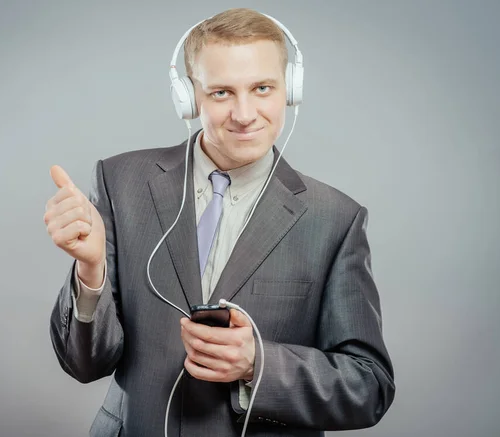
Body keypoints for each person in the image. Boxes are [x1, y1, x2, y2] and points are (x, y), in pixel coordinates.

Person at [45, 8, 395, 437]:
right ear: (189, 98)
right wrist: (90, 269)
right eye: (222, 93)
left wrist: (256, 364)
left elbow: (369, 386)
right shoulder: (121, 183)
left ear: (290, 90)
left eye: (262, 88)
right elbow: (84, 365)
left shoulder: (336, 219)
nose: (245, 114)